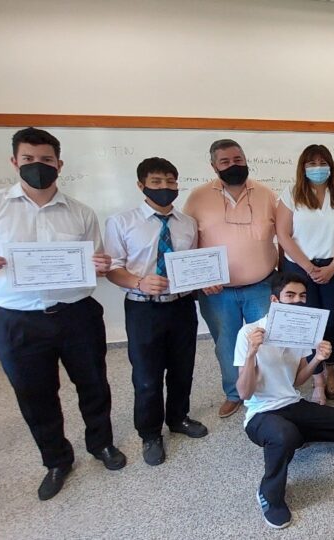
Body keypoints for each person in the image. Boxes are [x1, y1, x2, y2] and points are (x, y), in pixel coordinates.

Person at [0, 127, 123, 500]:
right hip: (18, 318)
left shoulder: (80, 211)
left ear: (59, 164)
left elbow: (96, 260)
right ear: (15, 162)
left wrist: (100, 263)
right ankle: (56, 460)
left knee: (93, 384)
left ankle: (101, 444)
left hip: (76, 314)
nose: (37, 166)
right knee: (34, 393)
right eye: (28, 159)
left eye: (46, 160)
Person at [104, 157, 218, 466]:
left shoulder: (187, 223)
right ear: (141, 185)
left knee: (183, 368)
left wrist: (206, 280)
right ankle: (150, 433)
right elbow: (112, 269)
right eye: (156, 182)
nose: (165, 187)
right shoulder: (121, 222)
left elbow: (192, 265)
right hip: (143, 308)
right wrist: (139, 282)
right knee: (147, 376)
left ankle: (178, 418)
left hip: (181, 306)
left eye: (170, 181)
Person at [235, 273, 334, 529]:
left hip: (292, 404)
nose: (297, 301)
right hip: (261, 414)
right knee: (284, 435)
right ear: (275, 300)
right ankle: (270, 495)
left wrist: (317, 358)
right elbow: (244, 393)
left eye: (302, 296)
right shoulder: (248, 333)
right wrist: (252, 354)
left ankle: (297, 435)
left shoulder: (297, 332)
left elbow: (296, 381)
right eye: (290, 295)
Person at [184, 139, 278, 418]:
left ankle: (270, 392)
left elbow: (284, 235)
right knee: (226, 344)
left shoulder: (266, 195)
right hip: (217, 292)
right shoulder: (197, 198)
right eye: (225, 161)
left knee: (266, 340)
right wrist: (200, 278)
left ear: (246, 160)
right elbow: (187, 243)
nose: (233, 165)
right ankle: (234, 393)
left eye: (238, 159)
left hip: (262, 285)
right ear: (214, 166)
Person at [275, 145, 334, 403]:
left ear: (331, 166)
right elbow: (283, 235)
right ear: (303, 167)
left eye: (323, 163)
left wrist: (333, 266)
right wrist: (309, 268)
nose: (318, 168)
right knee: (308, 326)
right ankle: (317, 378)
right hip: (300, 270)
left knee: (330, 323)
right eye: (312, 163)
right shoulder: (291, 195)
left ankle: (330, 368)